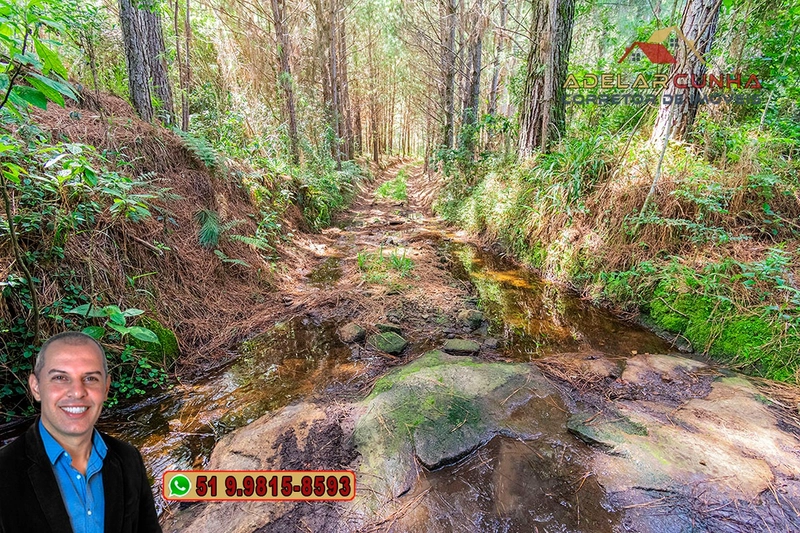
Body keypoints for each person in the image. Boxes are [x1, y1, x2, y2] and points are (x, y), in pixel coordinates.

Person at [0, 331, 162, 533]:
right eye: (60, 377)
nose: (77, 392)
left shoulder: (128, 459)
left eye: (91, 378)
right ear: (36, 387)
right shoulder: (4, 472)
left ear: (106, 387)